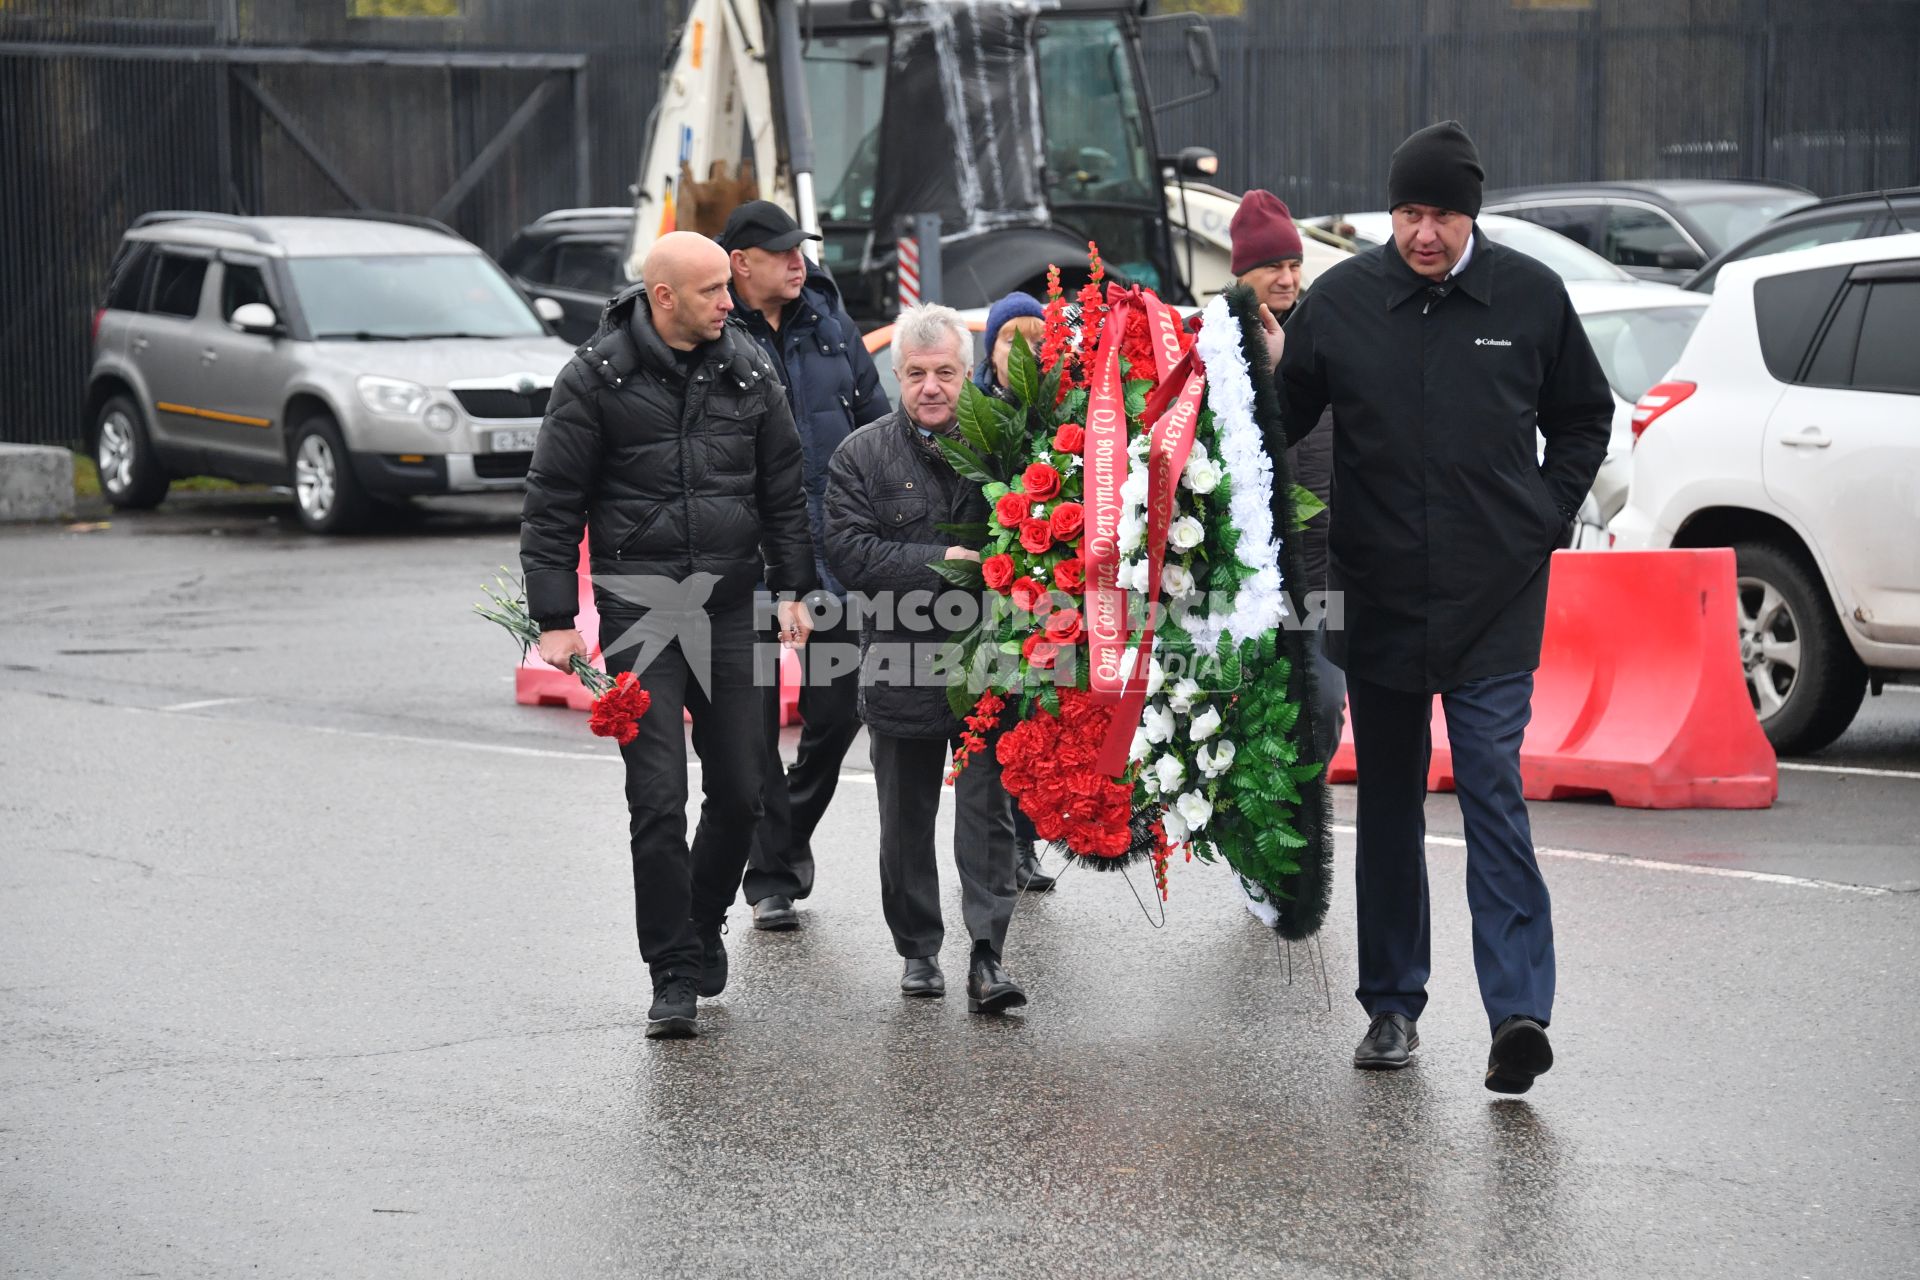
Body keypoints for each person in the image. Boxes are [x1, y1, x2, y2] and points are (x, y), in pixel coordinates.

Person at [1264, 122, 1612, 1093]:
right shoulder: (1341, 303)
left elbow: (1585, 416)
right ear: (1391, 213)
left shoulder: (1532, 298)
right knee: (1388, 803)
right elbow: (1276, 425)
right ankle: (1391, 1006)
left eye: (1444, 215)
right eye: (1410, 213)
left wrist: (1543, 514)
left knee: (1494, 786)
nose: (1425, 233)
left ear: (1474, 215)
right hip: (1376, 597)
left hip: (1495, 597)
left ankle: (1518, 1013)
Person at [521, 230, 818, 1040]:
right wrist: (553, 619)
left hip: (732, 608)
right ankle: (673, 972)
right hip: (642, 613)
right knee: (656, 798)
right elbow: (552, 505)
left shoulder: (750, 368)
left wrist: (794, 587)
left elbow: (785, 490)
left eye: (729, 286)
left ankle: (702, 917)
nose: (732, 301)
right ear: (663, 298)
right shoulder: (595, 378)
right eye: (715, 290)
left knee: (745, 792)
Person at [824, 303, 1027, 1014]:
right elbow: (849, 553)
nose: (931, 387)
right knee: (904, 819)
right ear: (896, 375)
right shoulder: (862, 454)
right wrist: (943, 560)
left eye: (945, 372)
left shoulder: (1007, 448)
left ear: (969, 374)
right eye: (916, 374)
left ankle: (987, 955)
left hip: (988, 667)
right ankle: (918, 950)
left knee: (987, 816)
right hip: (900, 664)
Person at [720, 199, 891, 932]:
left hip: (834, 562)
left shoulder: (830, 325)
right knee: (753, 729)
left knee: (837, 710)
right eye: (782, 252)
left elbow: (880, 428)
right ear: (740, 263)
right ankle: (771, 880)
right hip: (748, 566)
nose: (799, 262)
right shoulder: (712, 335)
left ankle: (784, 835)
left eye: (802, 250)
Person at [1228, 189, 1344, 763]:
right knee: (1242, 728)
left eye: (1294, 264)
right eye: (1273, 265)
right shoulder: (1210, 346)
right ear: (1242, 271)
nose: (1287, 277)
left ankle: (1306, 829)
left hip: (1321, 577)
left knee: (1322, 704)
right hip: (1239, 582)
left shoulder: (1326, 342)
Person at [971, 291, 1057, 895]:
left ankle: (1025, 845)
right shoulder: (973, 414)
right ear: (991, 350)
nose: (1025, 352)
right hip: (988, 595)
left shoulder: (1064, 413)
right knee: (997, 721)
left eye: (1036, 339)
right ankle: (998, 849)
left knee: (1040, 717)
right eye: (1011, 340)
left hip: (1050, 594)